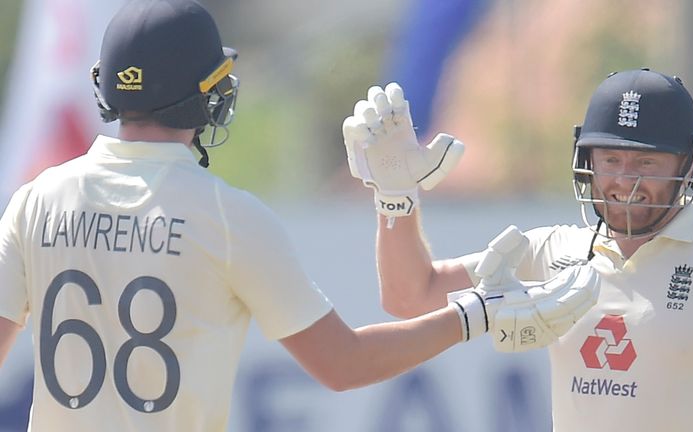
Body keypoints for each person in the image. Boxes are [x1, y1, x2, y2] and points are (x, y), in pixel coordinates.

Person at [0, 1, 600, 431]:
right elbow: (344, 365)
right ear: (201, 95)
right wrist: (472, 315)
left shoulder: (36, 199)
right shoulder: (227, 217)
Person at [342, 69, 693, 431]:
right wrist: (396, 197)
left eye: (647, 163)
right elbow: (410, 296)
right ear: (588, 159)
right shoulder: (553, 250)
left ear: (688, 165)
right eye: (611, 160)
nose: (626, 181)